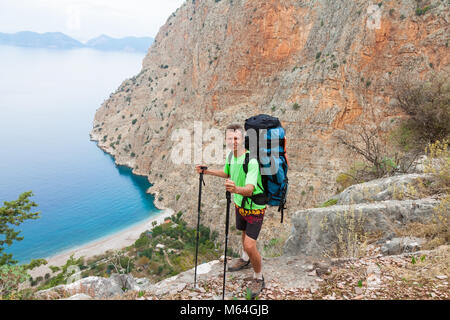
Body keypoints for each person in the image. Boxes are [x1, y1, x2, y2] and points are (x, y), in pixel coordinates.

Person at [195, 123, 266, 298]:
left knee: (250, 244)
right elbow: (228, 173)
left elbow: (250, 188)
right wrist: (207, 171)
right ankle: (245, 259)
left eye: (236, 138)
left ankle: (258, 277)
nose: (233, 141)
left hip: (255, 208)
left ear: (242, 139)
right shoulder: (230, 157)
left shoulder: (252, 161)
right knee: (242, 233)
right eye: (229, 138)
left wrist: (235, 190)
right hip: (239, 204)